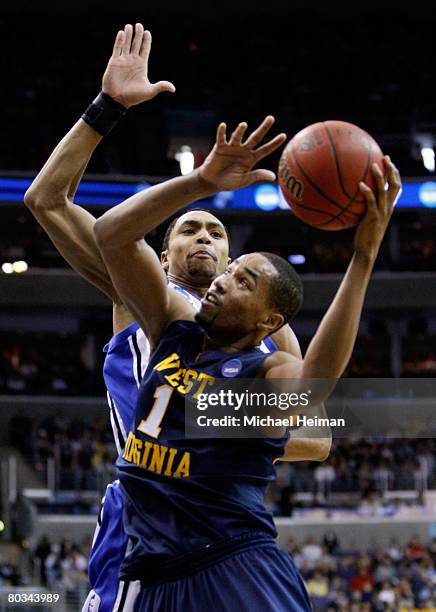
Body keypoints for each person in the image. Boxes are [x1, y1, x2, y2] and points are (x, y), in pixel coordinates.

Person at [92, 24, 401, 611]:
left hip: (234, 567)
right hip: (151, 575)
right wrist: (202, 181)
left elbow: (312, 394)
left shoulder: (265, 372)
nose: (223, 278)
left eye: (244, 281)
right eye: (233, 271)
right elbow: (111, 234)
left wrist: (361, 259)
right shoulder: (171, 331)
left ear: (265, 321)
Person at [24, 23, 331, 611]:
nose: (205, 238)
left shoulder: (270, 329)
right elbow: (47, 200)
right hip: (141, 523)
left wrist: (203, 432)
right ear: (160, 253)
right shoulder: (139, 290)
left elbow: (318, 438)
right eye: (189, 228)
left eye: (217, 233)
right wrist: (108, 106)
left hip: (227, 525)